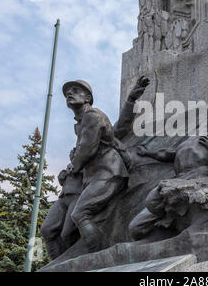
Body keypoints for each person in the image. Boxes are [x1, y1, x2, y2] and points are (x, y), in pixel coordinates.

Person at [62, 77, 149, 252]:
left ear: (87, 98)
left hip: (108, 173)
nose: (69, 94)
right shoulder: (81, 123)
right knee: (67, 230)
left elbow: (88, 148)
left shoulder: (92, 116)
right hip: (95, 177)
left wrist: (73, 166)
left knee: (80, 214)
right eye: (67, 92)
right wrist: (131, 100)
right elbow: (117, 131)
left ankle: (100, 255)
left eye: (75, 90)